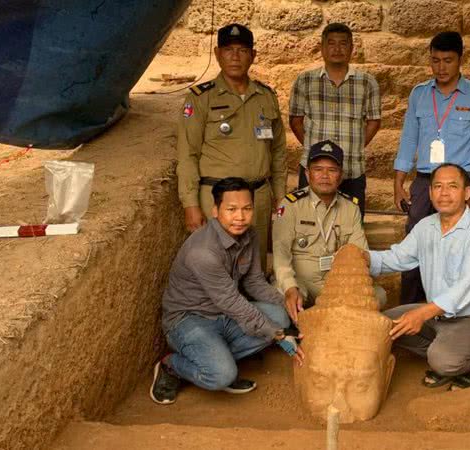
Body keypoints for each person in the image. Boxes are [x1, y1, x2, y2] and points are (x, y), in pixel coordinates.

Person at [150, 177, 302, 405]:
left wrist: (294, 310)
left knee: (279, 316)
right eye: (231, 209)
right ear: (215, 211)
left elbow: (254, 283)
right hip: (189, 320)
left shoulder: (249, 235)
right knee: (222, 375)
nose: (240, 217)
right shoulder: (203, 252)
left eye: (247, 209)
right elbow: (232, 302)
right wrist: (278, 335)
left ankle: (216, 356)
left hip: (224, 315)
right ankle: (172, 366)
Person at [367, 163, 470, 389]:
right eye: (437, 186)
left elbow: (467, 287)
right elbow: (398, 258)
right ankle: (449, 348)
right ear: (430, 193)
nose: (444, 193)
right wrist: (363, 258)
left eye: (452, 186)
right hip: (436, 317)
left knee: (442, 361)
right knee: (379, 326)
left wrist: (420, 314)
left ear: (467, 193)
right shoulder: (425, 226)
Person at [393, 31, 470, 305]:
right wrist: (398, 182)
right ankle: (410, 311)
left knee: (459, 248)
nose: (441, 68)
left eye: (448, 61)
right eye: (435, 61)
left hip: (461, 183)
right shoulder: (420, 94)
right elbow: (408, 139)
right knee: (415, 244)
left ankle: (456, 311)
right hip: (425, 182)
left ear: (461, 60)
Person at [176, 23, 287, 270]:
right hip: (217, 198)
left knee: (253, 269)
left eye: (242, 50)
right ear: (217, 54)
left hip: (257, 198)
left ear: (253, 56)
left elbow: (278, 150)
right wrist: (190, 205)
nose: (235, 56)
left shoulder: (266, 96)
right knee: (218, 268)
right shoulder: (201, 97)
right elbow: (187, 154)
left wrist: (280, 195)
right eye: (228, 50)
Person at [273, 140, 387, 323]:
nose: (325, 175)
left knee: (378, 295)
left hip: (336, 285)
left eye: (332, 170)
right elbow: (281, 257)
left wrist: (349, 288)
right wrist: (290, 288)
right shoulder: (291, 205)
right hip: (302, 284)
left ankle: (323, 320)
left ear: (340, 176)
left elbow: (360, 254)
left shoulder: (351, 207)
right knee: (282, 295)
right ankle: (328, 320)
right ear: (308, 174)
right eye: (318, 169)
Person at [288, 22, 381, 217]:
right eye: (331, 43)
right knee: (309, 227)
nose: (337, 49)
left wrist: (356, 146)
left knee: (351, 231)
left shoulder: (367, 82)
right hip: (314, 169)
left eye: (343, 44)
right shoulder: (305, 81)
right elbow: (295, 121)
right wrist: (312, 148)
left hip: (352, 169)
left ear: (352, 48)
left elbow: (374, 121)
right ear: (322, 47)